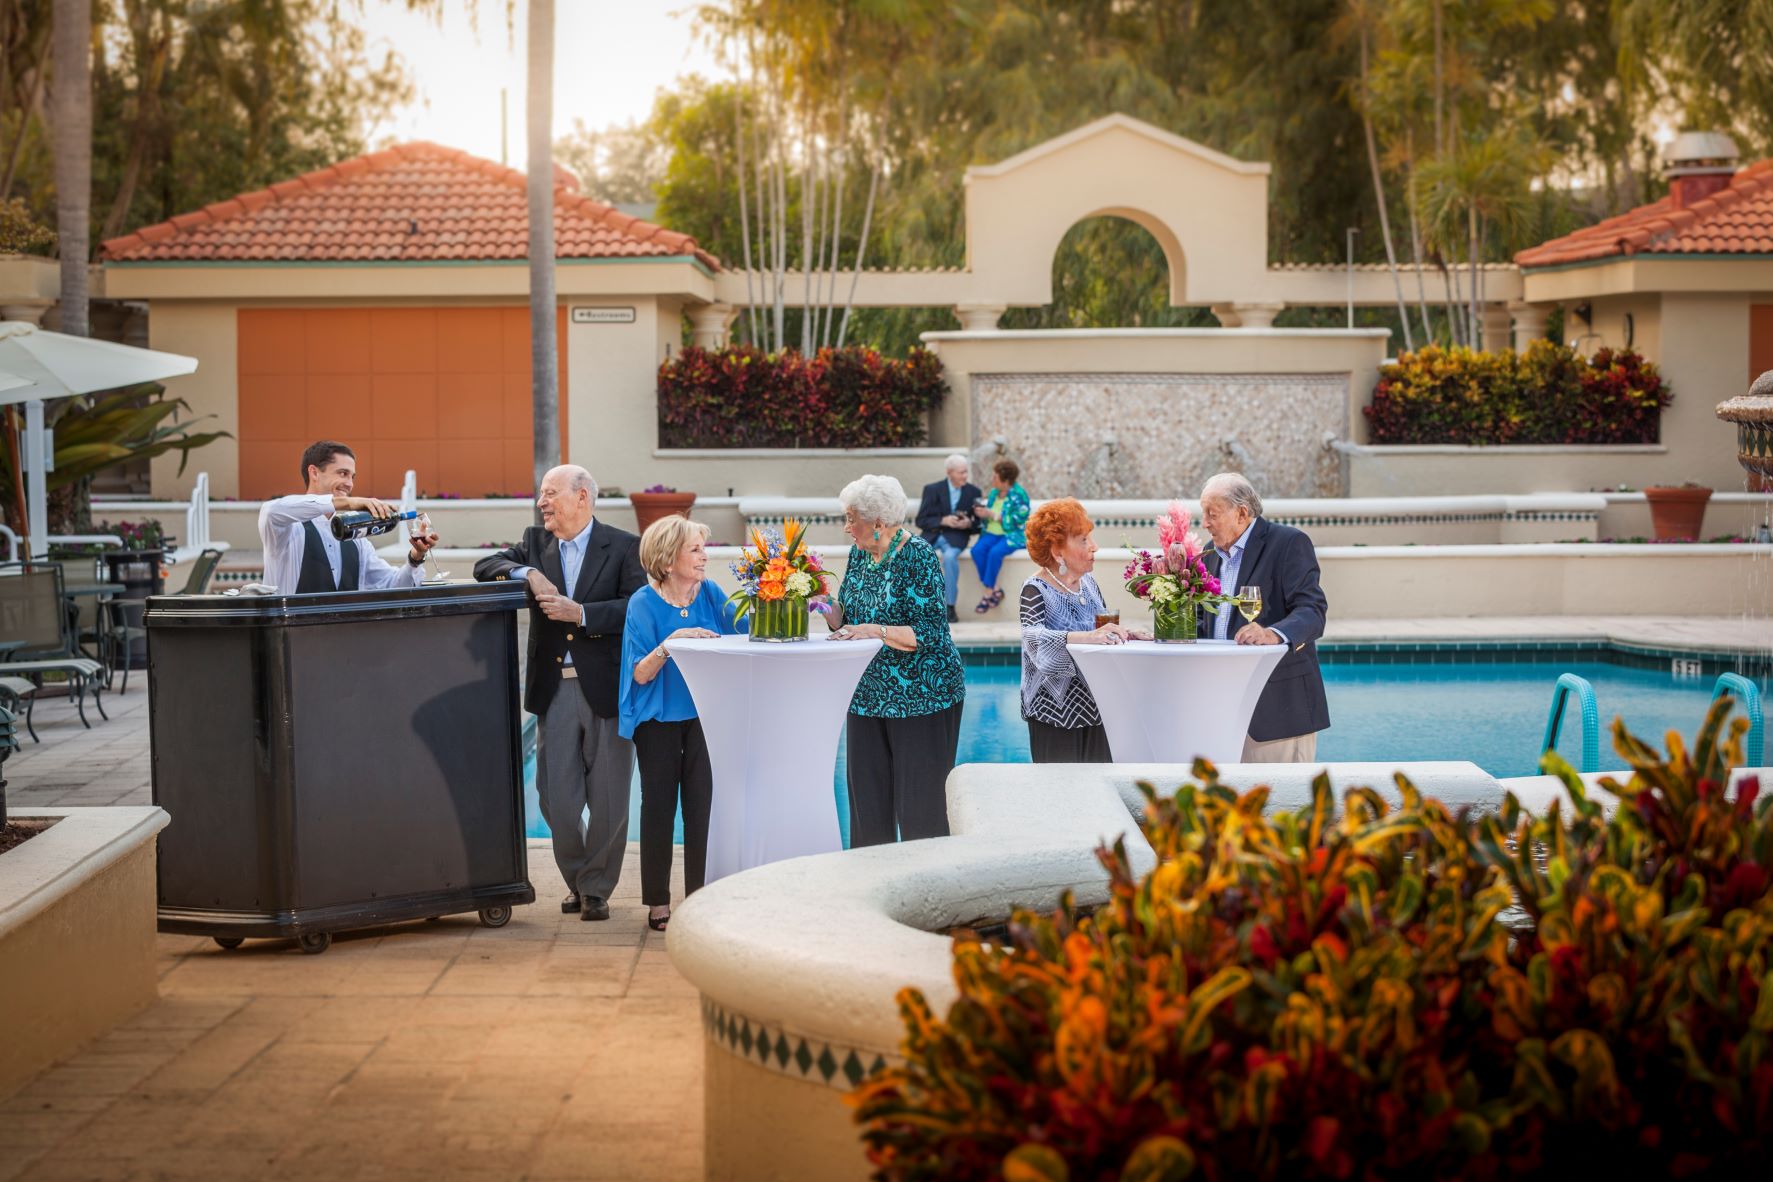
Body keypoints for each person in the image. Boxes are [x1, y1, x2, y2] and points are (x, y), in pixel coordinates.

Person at [473, 465, 645, 921]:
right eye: (541, 494)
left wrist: (581, 613)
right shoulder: (534, 542)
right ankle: (579, 876)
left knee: (609, 798)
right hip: (554, 691)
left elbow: (638, 605)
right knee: (556, 798)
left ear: (583, 497)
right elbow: (483, 567)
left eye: (551, 494)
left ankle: (595, 890)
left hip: (607, 688)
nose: (542, 502)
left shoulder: (625, 546)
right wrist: (527, 571)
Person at [824, 474, 966, 846]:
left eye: (851, 518)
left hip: (923, 696)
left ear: (878, 524)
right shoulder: (860, 554)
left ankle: (928, 895)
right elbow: (848, 619)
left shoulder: (918, 556)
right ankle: (872, 885)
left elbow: (929, 634)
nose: (846, 527)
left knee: (922, 811)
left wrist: (875, 630)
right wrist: (819, 599)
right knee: (867, 806)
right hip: (868, 695)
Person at [619, 515, 738, 932]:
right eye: (696, 549)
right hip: (658, 721)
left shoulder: (712, 593)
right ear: (668, 560)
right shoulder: (642, 603)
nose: (705, 556)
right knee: (658, 809)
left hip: (704, 718)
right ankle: (657, 903)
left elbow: (746, 633)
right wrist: (673, 642)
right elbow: (640, 673)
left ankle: (700, 899)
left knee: (702, 808)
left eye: (704, 548)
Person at [1197, 472, 1330, 762]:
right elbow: (1202, 621)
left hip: (1278, 714)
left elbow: (1312, 610)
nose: (1205, 523)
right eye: (1203, 513)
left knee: (1282, 805)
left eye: (1212, 514)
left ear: (1241, 513)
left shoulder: (1288, 543)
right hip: (1223, 713)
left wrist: (1273, 634)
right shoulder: (1208, 554)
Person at [1018, 498, 1146, 762]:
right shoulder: (1035, 589)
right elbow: (1034, 642)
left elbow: (1098, 630)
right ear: (1057, 551)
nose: (1094, 547)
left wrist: (1126, 633)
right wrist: (1088, 637)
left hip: (1097, 705)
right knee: (1062, 796)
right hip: (1054, 713)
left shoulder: (1088, 583)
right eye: (1084, 540)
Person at [257, 440, 437, 594]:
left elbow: (393, 584)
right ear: (314, 473)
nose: (349, 484)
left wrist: (416, 557)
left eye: (352, 477)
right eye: (342, 473)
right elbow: (271, 511)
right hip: (290, 634)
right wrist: (349, 503)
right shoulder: (288, 528)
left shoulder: (356, 538)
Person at [915, 454, 982, 623]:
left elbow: (979, 524)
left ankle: (949, 607)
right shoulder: (931, 489)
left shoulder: (974, 492)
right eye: (961, 473)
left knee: (951, 558)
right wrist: (943, 520)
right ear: (949, 472)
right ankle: (919, 607)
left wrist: (968, 524)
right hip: (932, 535)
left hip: (956, 538)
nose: (965, 476)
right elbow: (920, 520)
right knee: (914, 557)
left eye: (966, 472)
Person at [969, 458, 1029, 614]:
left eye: (995, 477)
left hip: (1012, 535)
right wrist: (983, 513)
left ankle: (988, 592)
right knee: (977, 551)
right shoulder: (994, 493)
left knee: (995, 553)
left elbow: (1018, 521)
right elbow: (990, 513)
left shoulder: (1020, 495)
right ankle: (995, 589)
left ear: (1006, 480)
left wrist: (993, 515)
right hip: (991, 533)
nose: (992, 480)